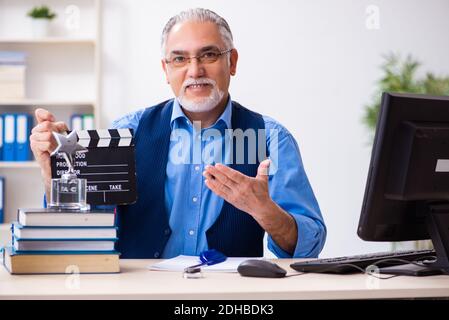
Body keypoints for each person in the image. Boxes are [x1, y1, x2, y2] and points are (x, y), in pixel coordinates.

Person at [30, 8, 326, 259]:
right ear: (165, 69)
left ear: (231, 62)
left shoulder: (270, 138)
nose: (195, 70)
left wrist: (267, 212)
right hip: (139, 295)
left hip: (230, 297)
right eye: (180, 59)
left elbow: (309, 248)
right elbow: (82, 231)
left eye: (208, 55)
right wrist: (52, 174)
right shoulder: (127, 133)